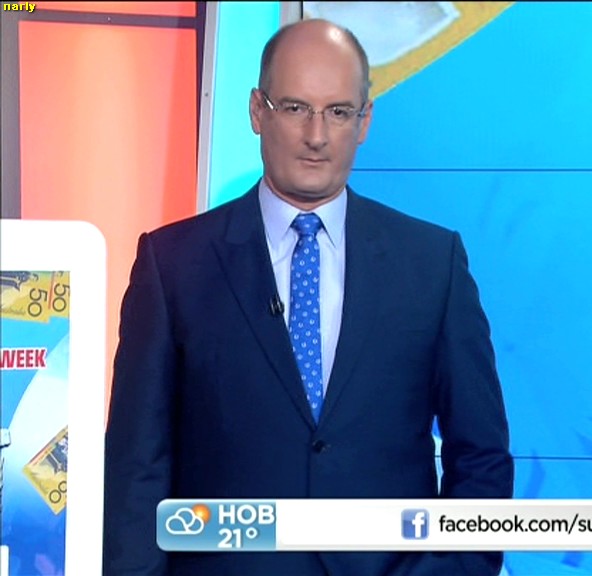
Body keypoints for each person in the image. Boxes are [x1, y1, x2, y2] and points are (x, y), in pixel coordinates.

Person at [103, 19, 513, 576]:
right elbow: (136, 465)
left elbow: (481, 453)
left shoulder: (432, 264)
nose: (316, 135)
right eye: (295, 108)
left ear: (365, 121)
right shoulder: (173, 264)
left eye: (338, 112)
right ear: (257, 111)